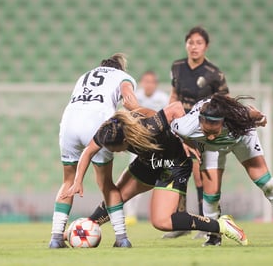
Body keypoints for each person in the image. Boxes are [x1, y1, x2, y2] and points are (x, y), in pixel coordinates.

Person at [61, 102, 249, 247]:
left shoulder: (151, 127)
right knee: (115, 196)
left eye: (118, 150)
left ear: (127, 140)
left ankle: (221, 226)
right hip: (149, 160)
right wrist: (77, 181)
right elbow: (88, 152)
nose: (117, 152)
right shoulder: (108, 130)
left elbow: (175, 107)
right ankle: (81, 230)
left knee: (161, 220)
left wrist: (185, 137)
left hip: (174, 162)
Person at [170, 93, 273, 245]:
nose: (212, 136)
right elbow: (171, 125)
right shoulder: (186, 126)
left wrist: (261, 119)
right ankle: (214, 235)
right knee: (211, 194)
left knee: (267, 183)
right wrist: (184, 141)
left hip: (240, 138)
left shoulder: (240, 115)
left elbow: (260, 117)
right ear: (200, 120)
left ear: (224, 121)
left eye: (215, 131)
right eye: (207, 132)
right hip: (209, 148)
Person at [49, 53, 140, 248]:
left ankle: (56, 237)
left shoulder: (84, 76)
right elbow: (128, 97)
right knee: (106, 183)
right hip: (97, 123)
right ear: (120, 68)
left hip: (69, 123)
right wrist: (138, 115)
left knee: (67, 181)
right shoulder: (122, 77)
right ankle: (122, 238)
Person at [167, 26, 229, 240]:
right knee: (179, 171)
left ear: (206, 46)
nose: (194, 47)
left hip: (202, 130)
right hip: (181, 128)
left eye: (199, 43)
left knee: (200, 175)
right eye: (191, 42)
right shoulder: (176, 67)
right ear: (186, 44)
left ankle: (207, 223)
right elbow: (174, 94)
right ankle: (182, 220)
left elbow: (225, 102)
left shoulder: (214, 74)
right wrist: (169, 118)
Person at [124, 70, 169, 224]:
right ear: (142, 83)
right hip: (138, 143)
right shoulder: (135, 96)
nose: (148, 84)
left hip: (158, 145)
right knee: (134, 176)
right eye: (146, 81)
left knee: (160, 178)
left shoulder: (163, 98)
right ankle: (130, 214)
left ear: (155, 84)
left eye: (152, 81)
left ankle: (162, 213)